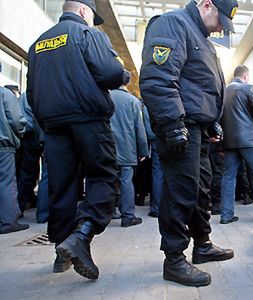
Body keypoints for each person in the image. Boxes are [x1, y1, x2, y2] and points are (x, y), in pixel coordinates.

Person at [27, 0, 128, 279]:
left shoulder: (38, 44)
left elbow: (31, 92)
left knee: (62, 184)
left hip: (53, 124)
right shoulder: (88, 34)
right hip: (88, 119)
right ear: (84, 11)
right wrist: (124, 74)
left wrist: (46, 121)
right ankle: (82, 235)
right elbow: (110, 73)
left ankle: (62, 251)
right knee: (104, 176)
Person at [139, 0, 238, 287]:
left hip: (198, 127)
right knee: (181, 191)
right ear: (207, 4)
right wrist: (172, 124)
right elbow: (158, 78)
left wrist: (211, 120)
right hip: (179, 125)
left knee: (200, 189)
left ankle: (202, 244)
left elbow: (199, 86)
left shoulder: (201, 37)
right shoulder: (173, 24)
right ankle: (173, 259)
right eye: (221, 20)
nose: (221, 28)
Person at [220, 65, 253, 224]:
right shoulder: (248, 88)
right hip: (249, 140)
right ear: (246, 76)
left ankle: (226, 215)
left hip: (229, 141)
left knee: (228, 177)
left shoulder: (223, 91)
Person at [110, 76, 148, 227]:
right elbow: (139, 128)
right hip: (127, 147)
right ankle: (128, 216)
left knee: (109, 181)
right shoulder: (132, 101)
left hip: (107, 147)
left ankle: (110, 211)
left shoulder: (105, 97)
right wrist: (143, 149)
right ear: (128, 82)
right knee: (126, 181)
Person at [0, 62, 29, 234]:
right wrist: (19, 135)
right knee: (6, 182)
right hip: (3, 145)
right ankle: (9, 221)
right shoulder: (5, 94)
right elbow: (17, 121)